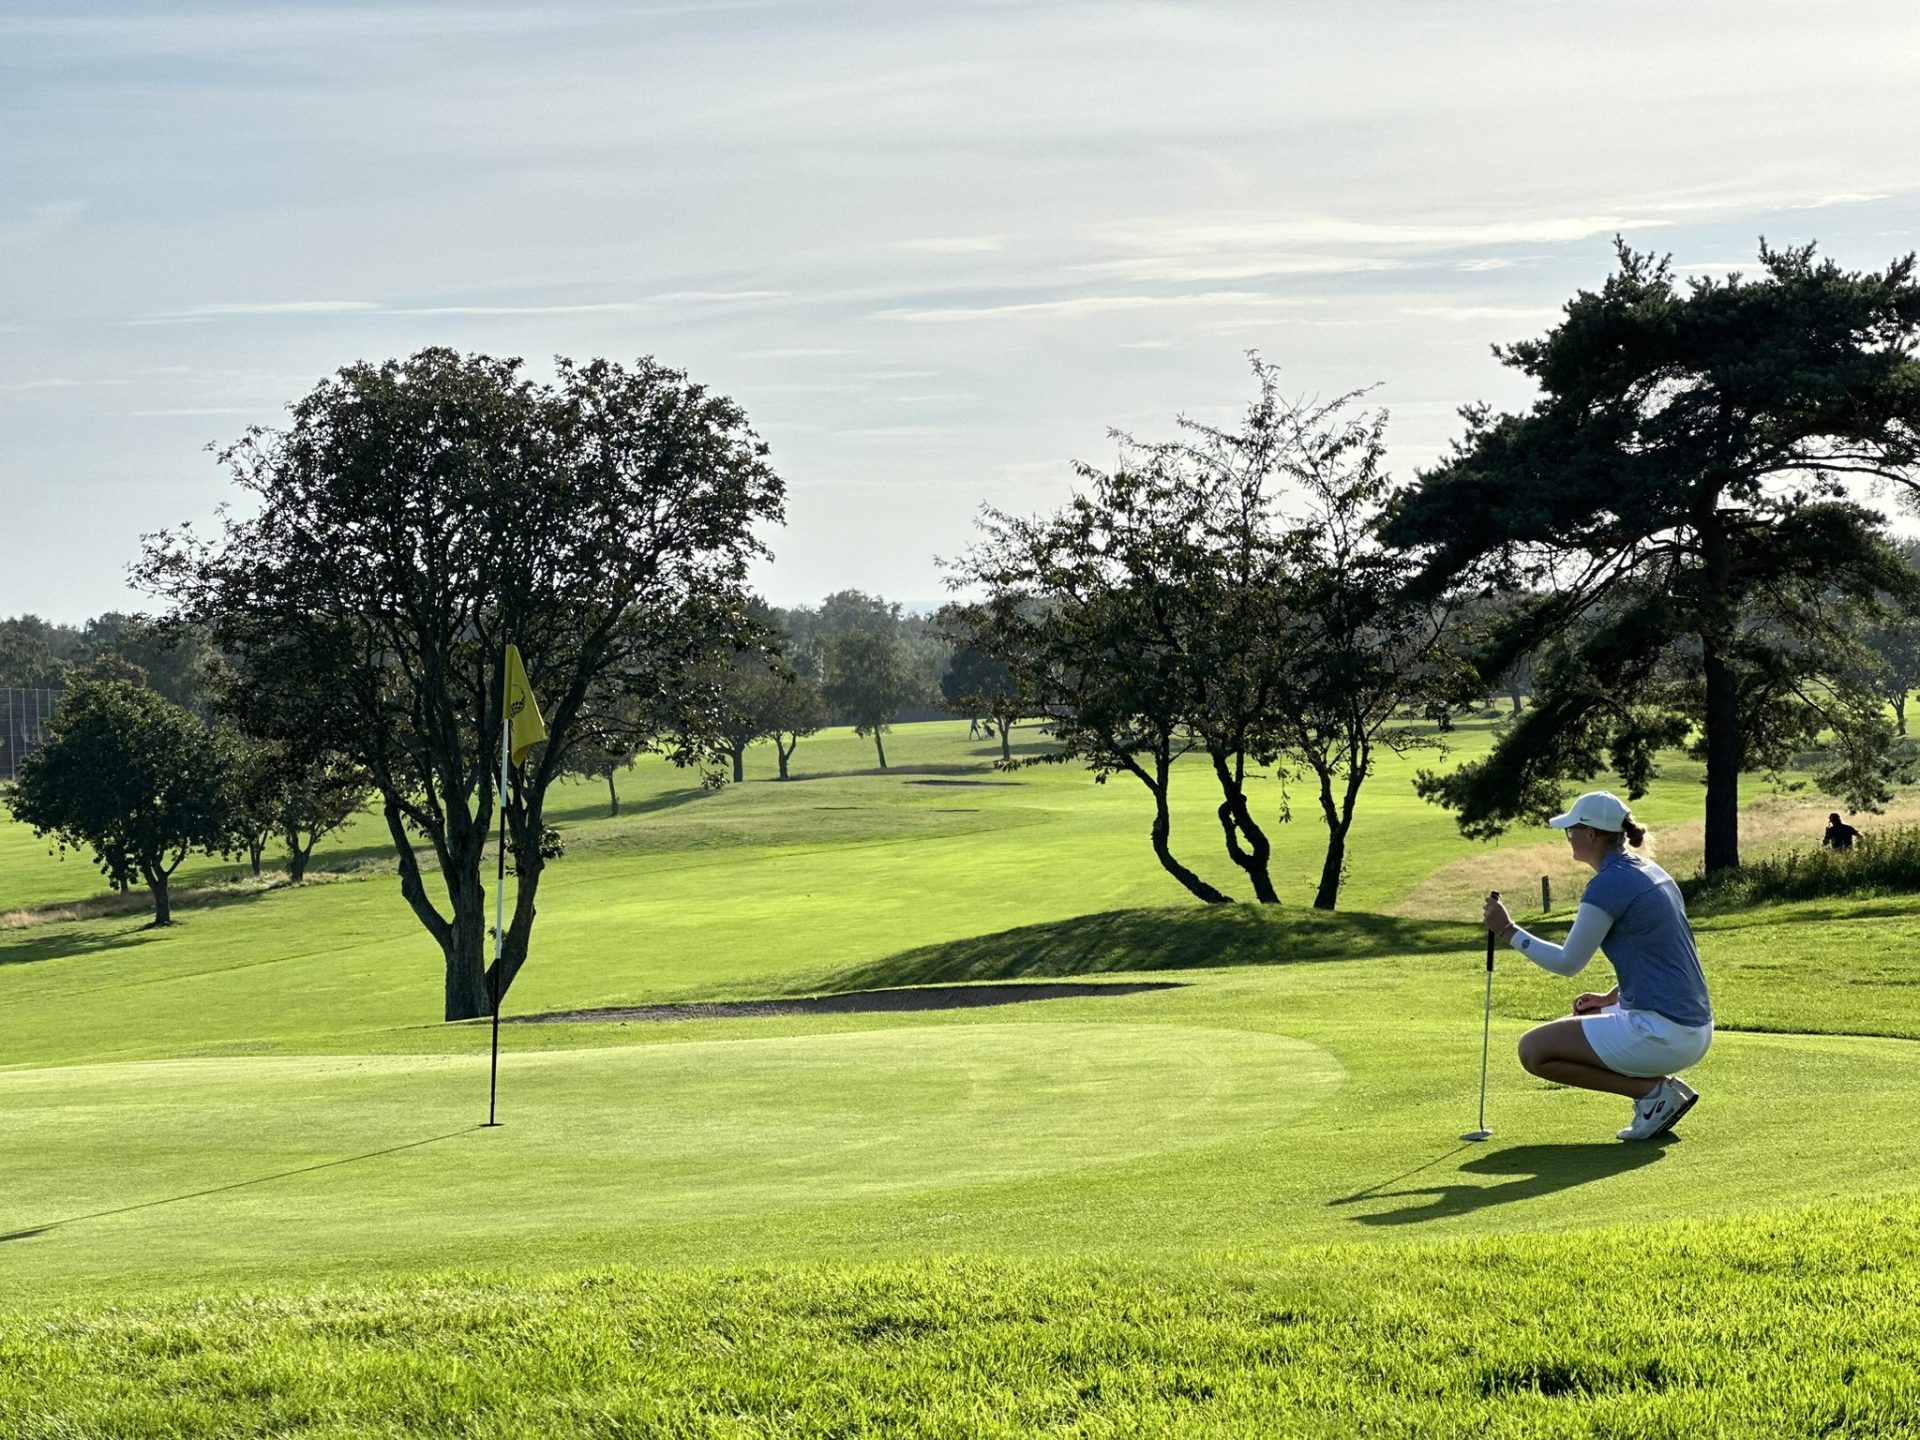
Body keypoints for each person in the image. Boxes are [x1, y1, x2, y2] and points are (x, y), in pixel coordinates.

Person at [1482, 790, 1713, 1142]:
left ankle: (1653, 1095)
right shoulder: (1648, 870)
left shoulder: (1609, 884)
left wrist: (1508, 930)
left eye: (1570, 830)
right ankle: (1657, 1093)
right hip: (1692, 1027)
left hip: (1666, 1032)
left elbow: (1568, 962)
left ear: (1590, 834)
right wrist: (1611, 998)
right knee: (1576, 1023)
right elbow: (1662, 954)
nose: (1568, 837)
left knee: (1533, 1050)